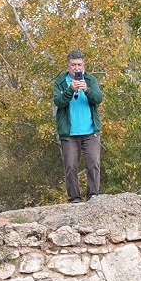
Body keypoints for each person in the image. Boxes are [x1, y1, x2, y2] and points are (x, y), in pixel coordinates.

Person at [52, 49, 103, 203]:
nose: (77, 68)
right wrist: (70, 90)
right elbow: (58, 102)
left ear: (84, 65)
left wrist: (86, 89)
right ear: (68, 66)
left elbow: (98, 99)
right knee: (70, 167)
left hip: (90, 131)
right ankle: (74, 199)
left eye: (79, 64)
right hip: (69, 133)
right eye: (73, 65)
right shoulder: (60, 82)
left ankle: (93, 196)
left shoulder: (91, 80)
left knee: (93, 164)